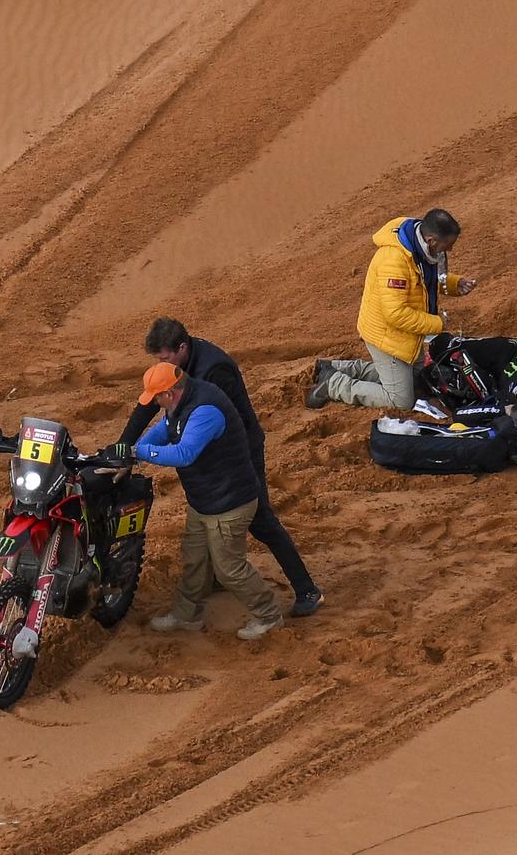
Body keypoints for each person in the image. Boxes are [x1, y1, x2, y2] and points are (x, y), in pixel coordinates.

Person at [119, 318, 323, 617]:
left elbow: (202, 431)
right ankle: (215, 577)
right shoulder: (177, 372)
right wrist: (121, 447)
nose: (160, 363)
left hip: (238, 450)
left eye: (163, 358)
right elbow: (151, 404)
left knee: (259, 518)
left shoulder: (214, 371)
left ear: (181, 348)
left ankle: (307, 589)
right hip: (213, 448)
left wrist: (141, 451)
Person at [114, 361, 283, 640]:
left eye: (156, 397)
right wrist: (134, 452)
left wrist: (141, 454)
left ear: (169, 393)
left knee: (229, 569)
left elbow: (184, 453)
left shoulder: (205, 411)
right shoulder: (180, 403)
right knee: (195, 560)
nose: (154, 402)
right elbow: (164, 430)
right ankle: (187, 615)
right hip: (204, 500)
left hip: (229, 504)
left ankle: (268, 616)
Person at [310, 208, 476, 411]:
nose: (448, 251)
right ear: (431, 239)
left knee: (418, 380)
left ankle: (336, 367)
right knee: (401, 400)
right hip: (387, 336)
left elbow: (421, 282)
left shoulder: (418, 244)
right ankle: (333, 384)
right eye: (447, 245)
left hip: (404, 336)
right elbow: (396, 314)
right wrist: (437, 323)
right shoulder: (395, 261)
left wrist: (454, 284)